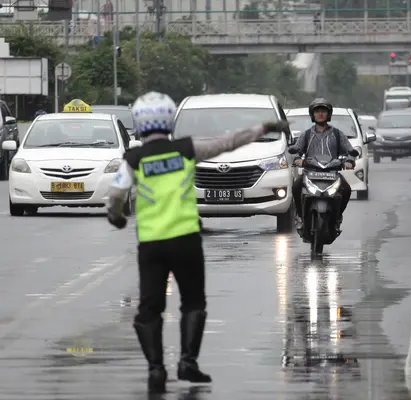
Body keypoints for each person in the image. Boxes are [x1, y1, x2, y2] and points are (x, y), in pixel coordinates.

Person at [105, 91, 290, 393]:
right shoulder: (186, 149)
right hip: (186, 240)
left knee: (149, 308)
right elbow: (227, 142)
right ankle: (188, 362)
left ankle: (155, 370)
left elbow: (115, 195)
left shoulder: (133, 159)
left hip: (151, 244)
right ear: (168, 121)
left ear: (139, 124)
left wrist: (116, 216)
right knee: (192, 302)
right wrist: (263, 129)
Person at [290, 98, 356, 229]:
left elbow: (350, 150)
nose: (320, 114)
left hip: (332, 173)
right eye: (317, 111)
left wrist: (349, 161)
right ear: (312, 115)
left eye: (323, 111)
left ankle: (337, 217)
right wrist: (297, 159)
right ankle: (300, 216)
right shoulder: (307, 134)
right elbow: (296, 150)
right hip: (310, 173)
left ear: (329, 114)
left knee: (347, 189)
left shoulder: (337, 134)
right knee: (296, 187)